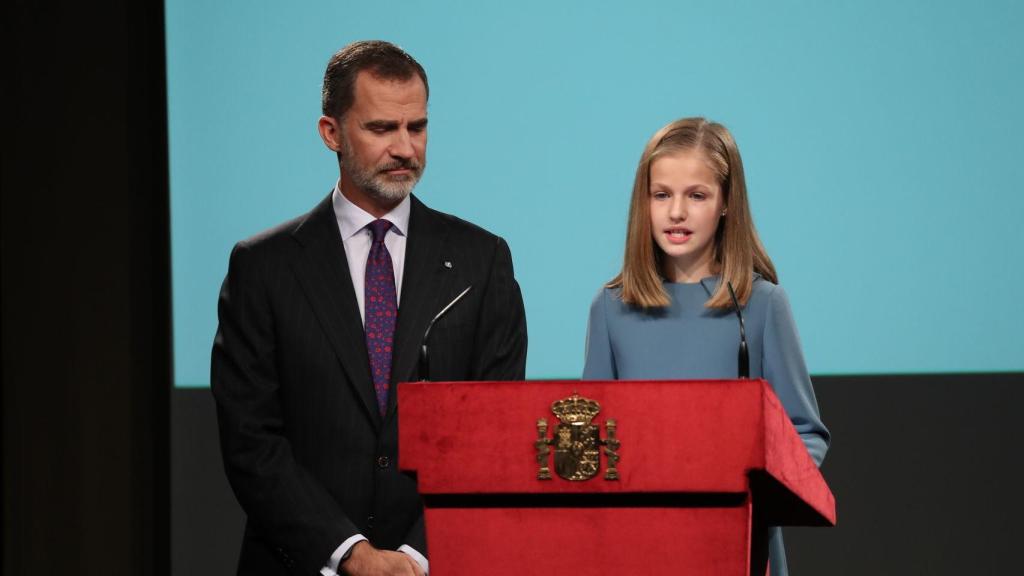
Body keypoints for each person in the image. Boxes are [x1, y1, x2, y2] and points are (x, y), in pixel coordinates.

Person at [212, 40, 527, 576]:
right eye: (382, 129)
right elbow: (251, 440)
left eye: (418, 127)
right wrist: (349, 553)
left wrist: (414, 556)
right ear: (331, 132)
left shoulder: (483, 260)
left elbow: (497, 431)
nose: (406, 148)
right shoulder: (263, 267)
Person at [582, 117, 829, 576]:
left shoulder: (761, 305)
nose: (676, 212)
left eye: (696, 195)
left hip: (738, 548)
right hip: (637, 549)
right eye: (662, 195)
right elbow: (591, 442)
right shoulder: (610, 309)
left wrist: (757, 495)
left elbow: (805, 434)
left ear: (726, 205)